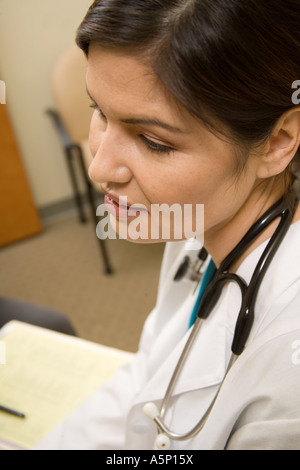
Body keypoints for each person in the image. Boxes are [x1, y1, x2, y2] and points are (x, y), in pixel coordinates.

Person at [36, 0, 300, 450]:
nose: (99, 168)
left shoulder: (289, 364)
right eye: (98, 111)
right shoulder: (195, 220)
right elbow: (148, 379)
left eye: (153, 141)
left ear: (277, 142)